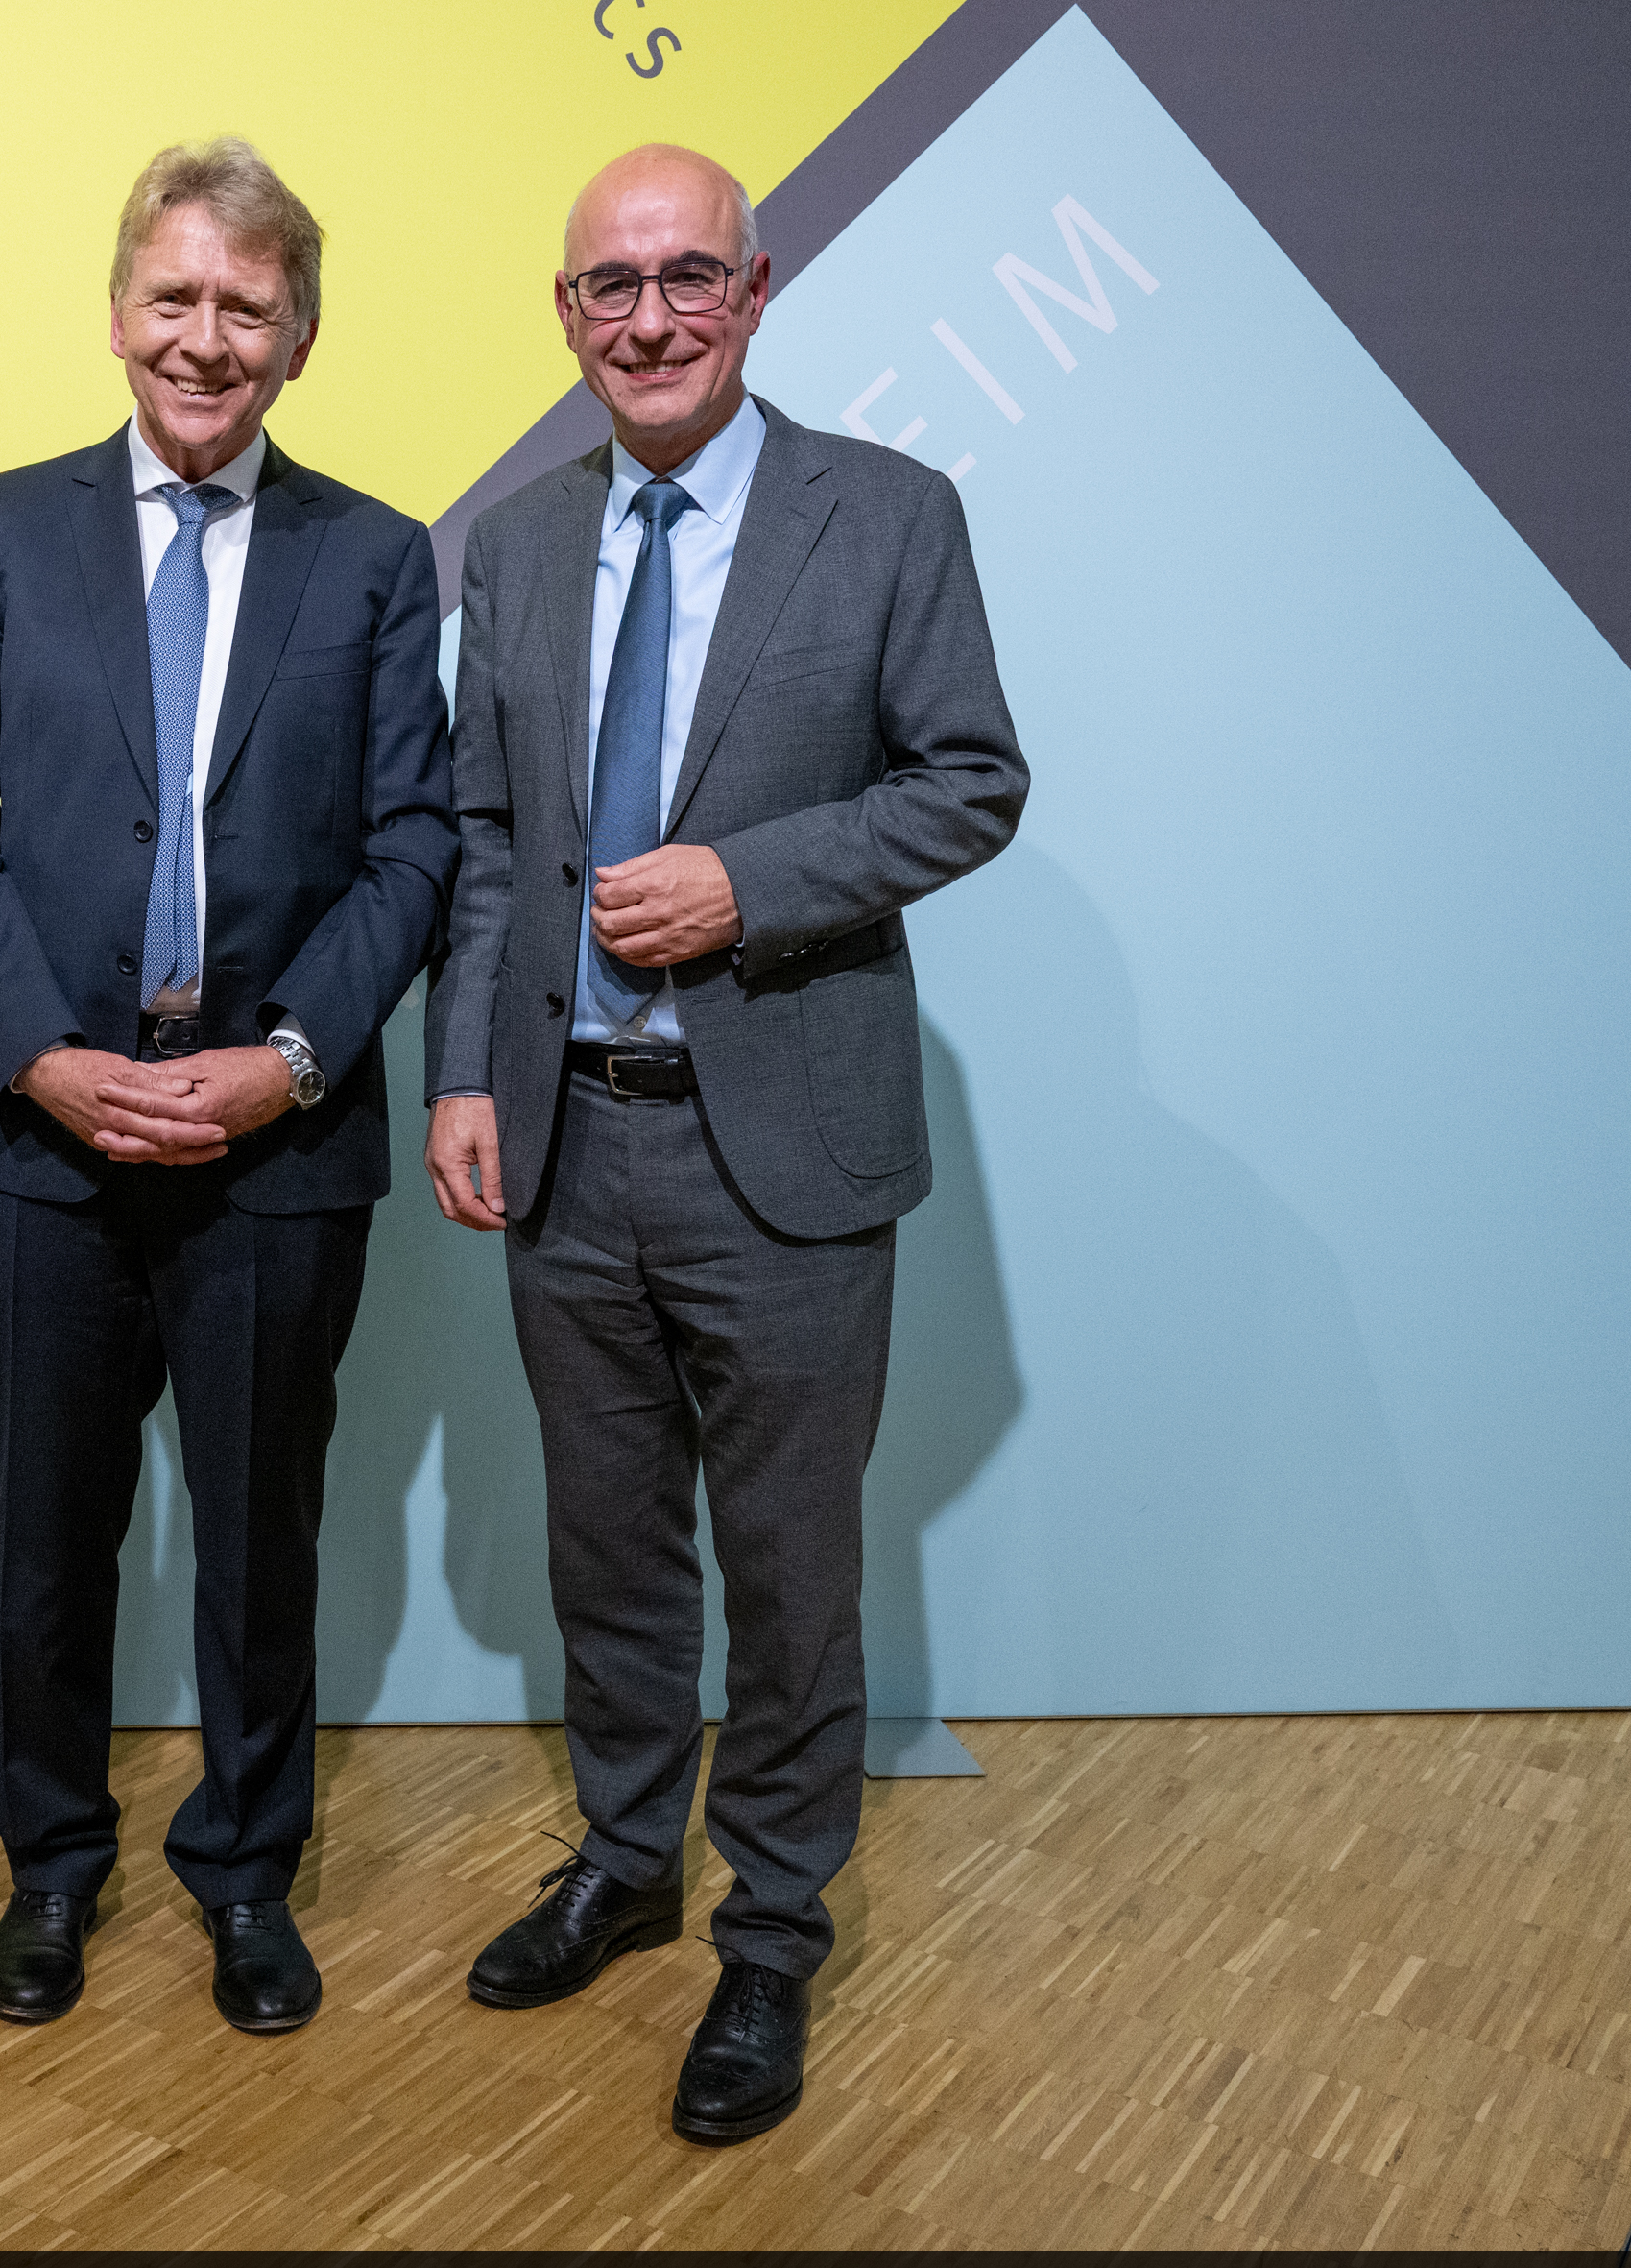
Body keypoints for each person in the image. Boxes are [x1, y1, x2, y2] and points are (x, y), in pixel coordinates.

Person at [422, 144, 1026, 2143]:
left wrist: (744, 886)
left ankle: (770, 1922)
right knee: (605, 1546)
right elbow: (490, 842)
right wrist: (459, 1073)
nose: (650, 317)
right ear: (567, 314)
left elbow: (969, 781)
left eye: (687, 277)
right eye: (610, 286)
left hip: (782, 1142)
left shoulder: (887, 513)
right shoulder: (508, 546)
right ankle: (620, 1857)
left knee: (783, 1560)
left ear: (756, 291)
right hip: (568, 1146)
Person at [0, 137, 454, 2037]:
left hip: (273, 1154)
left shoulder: (373, 561)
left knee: (253, 1537)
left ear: (298, 337)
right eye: (172, 298)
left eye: (246, 306)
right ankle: (50, 1867)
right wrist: (41, 1054)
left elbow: (410, 851)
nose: (203, 339)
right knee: (46, 1537)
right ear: (114, 310)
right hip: (42, 1143)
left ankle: (242, 1871)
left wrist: (286, 1060)